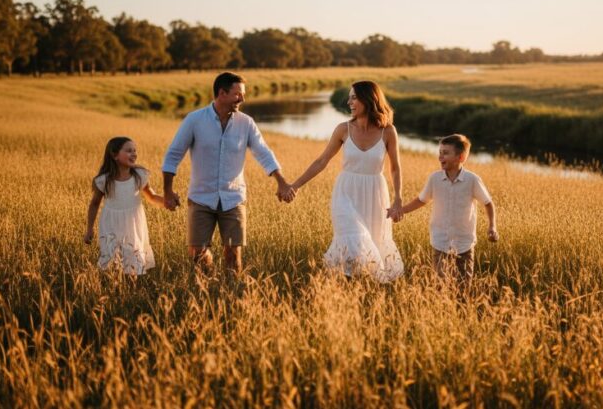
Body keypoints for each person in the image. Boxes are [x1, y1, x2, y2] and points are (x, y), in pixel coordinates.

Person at [162, 72, 295, 275]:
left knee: (233, 254)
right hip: (200, 198)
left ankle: (232, 293)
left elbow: (264, 153)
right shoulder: (194, 120)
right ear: (222, 93)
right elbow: (173, 155)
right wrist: (168, 191)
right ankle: (206, 290)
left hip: (233, 198)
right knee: (197, 253)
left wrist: (282, 182)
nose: (243, 99)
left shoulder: (246, 123)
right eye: (238, 94)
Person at [291, 81, 404, 282]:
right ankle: (345, 284)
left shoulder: (388, 131)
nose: (349, 102)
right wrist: (295, 185)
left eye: (354, 97)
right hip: (345, 192)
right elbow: (321, 161)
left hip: (375, 193)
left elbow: (395, 168)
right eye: (349, 97)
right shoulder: (343, 129)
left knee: (372, 242)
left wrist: (398, 199)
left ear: (369, 99)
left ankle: (362, 291)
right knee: (352, 236)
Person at [400, 134, 499, 288]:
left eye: (445, 153)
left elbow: (488, 203)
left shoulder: (472, 180)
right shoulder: (434, 179)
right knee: (441, 287)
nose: (440, 157)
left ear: (460, 157)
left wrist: (492, 226)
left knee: (463, 289)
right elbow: (421, 200)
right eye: (440, 152)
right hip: (440, 243)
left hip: (464, 246)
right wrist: (400, 210)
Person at [85, 137, 165, 275]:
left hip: (133, 224)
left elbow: (151, 196)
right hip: (111, 223)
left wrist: (167, 201)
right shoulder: (104, 180)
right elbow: (94, 204)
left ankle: (131, 288)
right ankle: (114, 288)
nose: (134, 154)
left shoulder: (139, 175)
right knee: (112, 260)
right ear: (115, 155)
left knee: (133, 256)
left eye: (135, 150)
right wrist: (89, 229)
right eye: (129, 151)